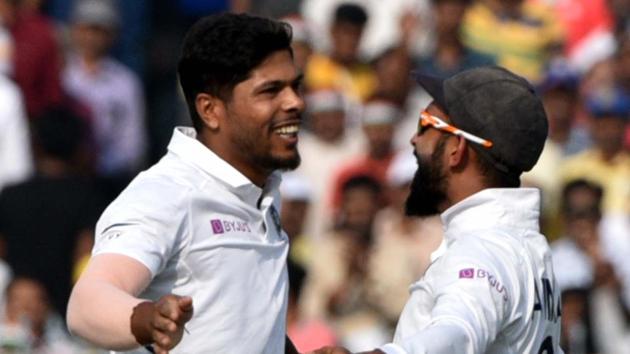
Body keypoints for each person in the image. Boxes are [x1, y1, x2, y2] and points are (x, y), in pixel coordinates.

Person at [67, 13, 305, 353]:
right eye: (271, 91)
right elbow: (86, 305)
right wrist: (149, 320)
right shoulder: (167, 194)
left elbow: (232, 323)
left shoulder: (261, 192)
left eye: (296, 86)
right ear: (210, 110)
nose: (295, 102)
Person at [311, 66, 562, 354]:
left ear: (457, 149)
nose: (413, 140)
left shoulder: (481, 251)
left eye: (425, 125)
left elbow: (455, 334)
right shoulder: (530, 247)